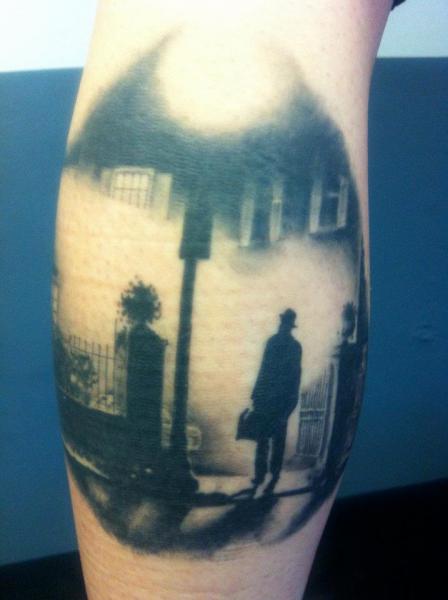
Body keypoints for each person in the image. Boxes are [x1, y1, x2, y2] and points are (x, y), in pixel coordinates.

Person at [53, 1, 405, 598]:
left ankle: (261, 485)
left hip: (273, 401)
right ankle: (262, 486)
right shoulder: (286, 342)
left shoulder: (279, 341)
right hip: (276, 402)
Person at [251, 309, 302, 494]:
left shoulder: (289, 346)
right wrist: (256, 394)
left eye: (285, 324)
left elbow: (294, 376)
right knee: (265, 439)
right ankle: (263, 475)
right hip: (271, 399)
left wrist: (290, 402)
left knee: (273, 440)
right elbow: (264, 370)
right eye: (284, 324)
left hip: (278, 400)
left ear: (287, 325)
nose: (283, 327)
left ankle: (271, 475)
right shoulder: (279, 344)